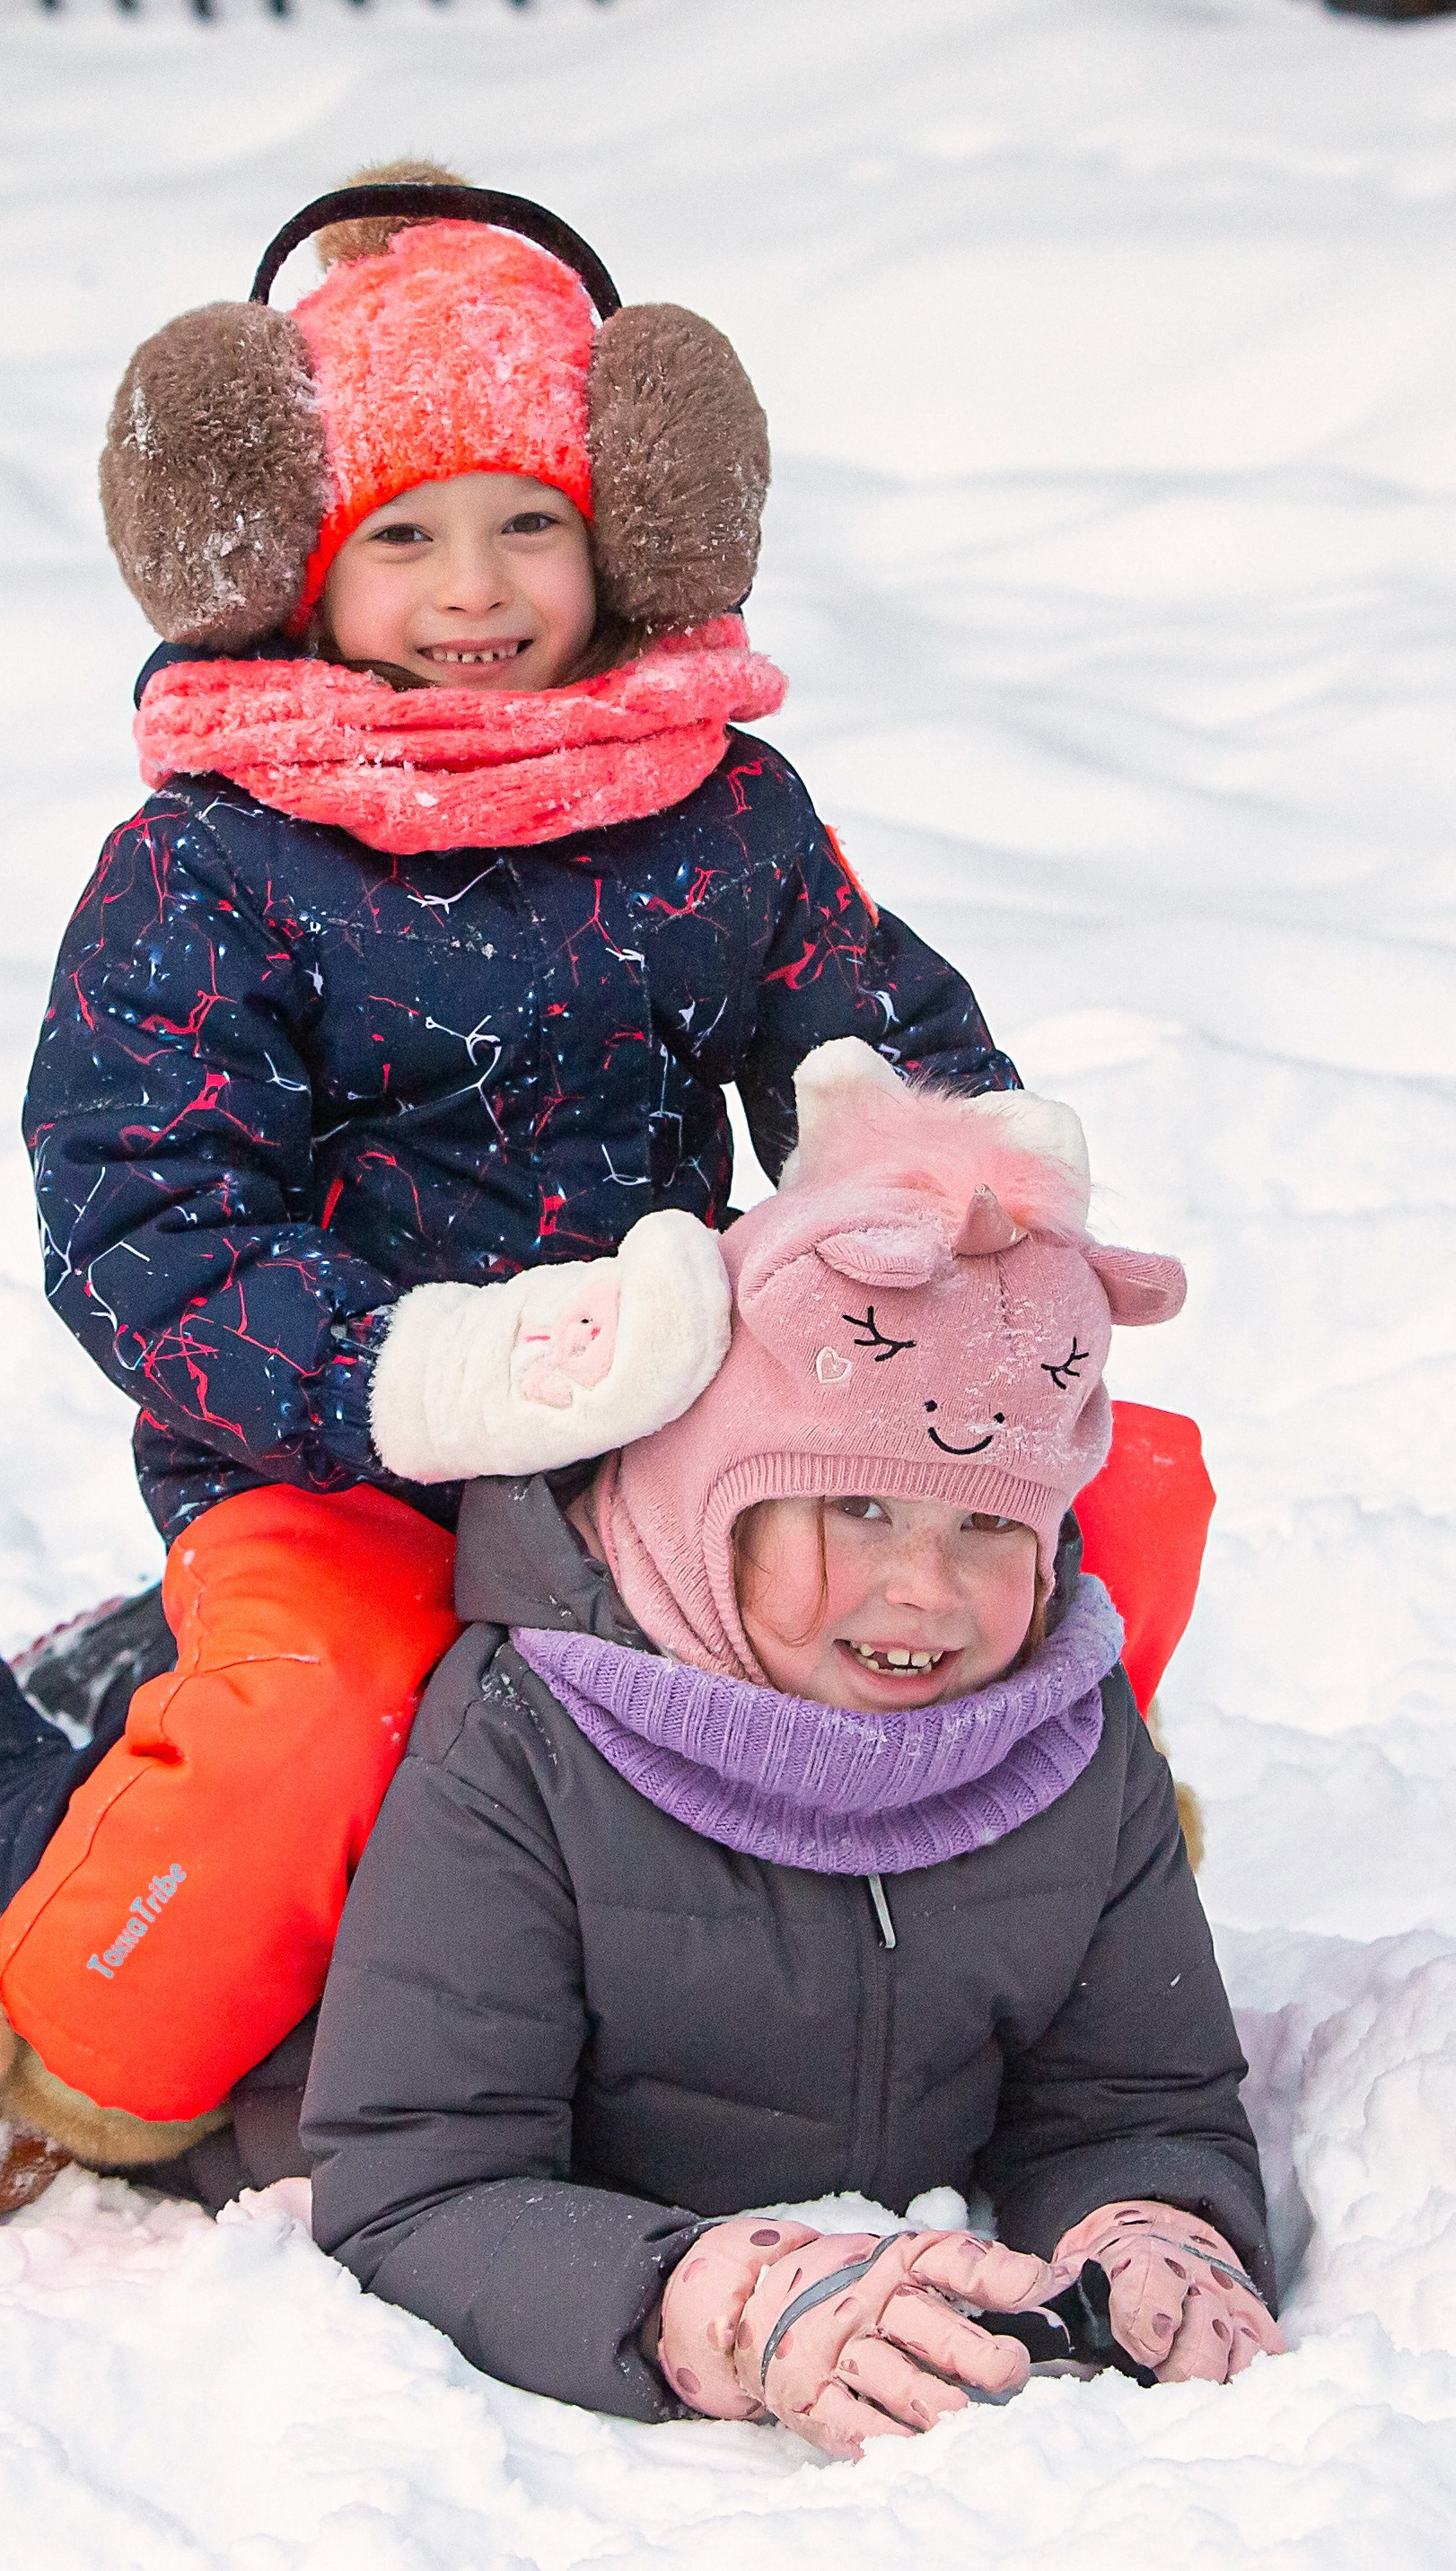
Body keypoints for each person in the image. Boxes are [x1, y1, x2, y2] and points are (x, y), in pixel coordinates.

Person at [0, 166, 1031, 2243]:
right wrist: (404, 1377)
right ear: (284, 566)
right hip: (326, 1467)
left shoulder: (708, 809)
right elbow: (145, 1216)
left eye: (530, 522)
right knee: (297, 1772)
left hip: (653, 1465)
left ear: (625, 531)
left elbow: (866, 1051)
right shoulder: (216, 868)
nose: (475, 588)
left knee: (959, 1590)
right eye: (403, 536)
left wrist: (949, 1197)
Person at [301, 1042, 1280, 2451]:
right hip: (222, 1865)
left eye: (990, 1526)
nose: (928, 1592)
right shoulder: (531, 1742)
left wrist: (1154, 2228)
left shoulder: (1068, 1741)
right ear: (713, 1499)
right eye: (860, 1512)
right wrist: (720, 2301)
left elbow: (1135, 2093)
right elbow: (416, 2180)